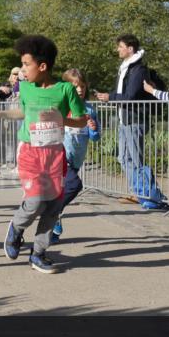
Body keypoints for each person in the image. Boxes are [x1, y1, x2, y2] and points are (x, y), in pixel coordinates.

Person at [0, 36, 92, 273]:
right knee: (34, 201)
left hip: (55, 155)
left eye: (26, 64)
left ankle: (38, 254)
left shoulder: (66, 90)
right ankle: (16, 228)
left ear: (42, 66)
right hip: (30, 152)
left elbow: (82, 120)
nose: (22, 70)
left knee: (53, 206)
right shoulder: (26, 88)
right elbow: (22, 111)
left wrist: (62, 120)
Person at [95, 34, 166, 209]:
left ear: (130, 49)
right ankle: (140, 192)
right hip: (124, 119)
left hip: (135, 119)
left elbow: (130, 95)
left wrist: (109, 97)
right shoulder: (126, 68)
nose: (117, 49)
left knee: (135, 159)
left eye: (120, 46)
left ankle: (150, 195)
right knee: (123, 157)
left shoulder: (138, 69)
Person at [53, 68, 101, 244]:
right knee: (74, 185)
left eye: (82, 86)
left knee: (61, 191)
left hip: (76, 159)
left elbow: (95, 137)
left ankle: (51, 225)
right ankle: (54, 212)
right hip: (60, 155)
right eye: (75, 86)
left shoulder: (89, 109)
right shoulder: (62, 107)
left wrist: (93, 129)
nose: (79, 89)